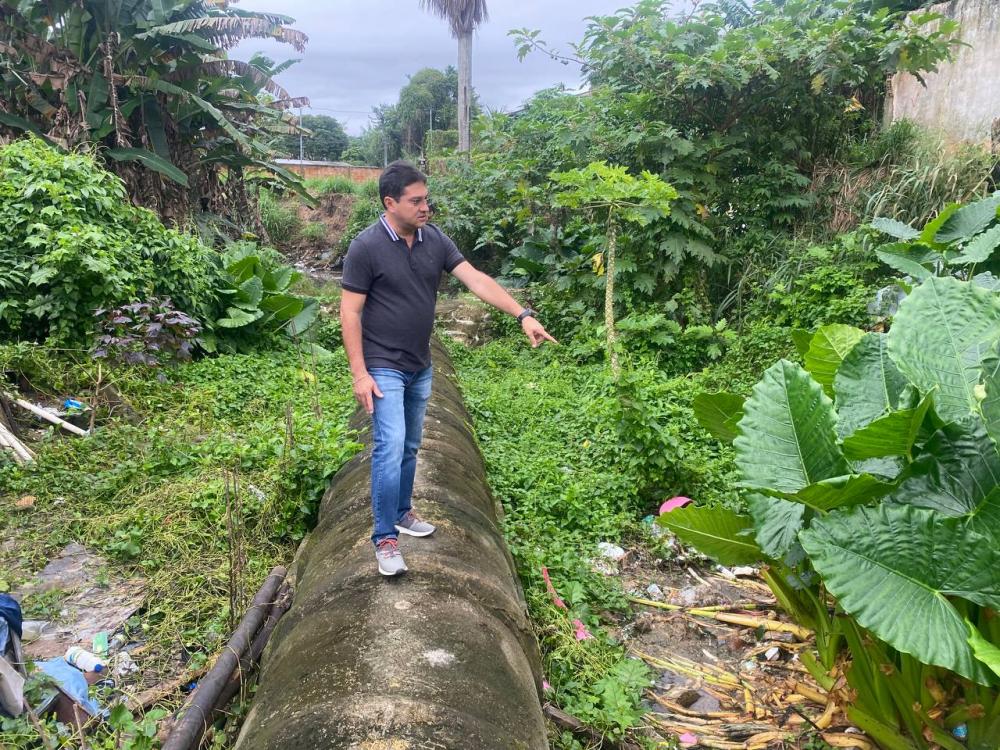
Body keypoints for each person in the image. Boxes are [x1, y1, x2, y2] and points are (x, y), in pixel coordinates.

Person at [340, 160, 556, 576]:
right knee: (389, 448)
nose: (426, 208)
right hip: (383, 365)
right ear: (390, 203)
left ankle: (403, 513)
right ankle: (385, 539)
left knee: (410, 447)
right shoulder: (365, 248)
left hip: (420, 364)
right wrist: (359, 373)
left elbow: (475, 279)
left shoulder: (434, 239)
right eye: (416, 201)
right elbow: (350, 313)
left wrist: (522, 314)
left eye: (427, 199)